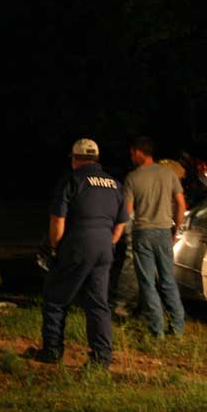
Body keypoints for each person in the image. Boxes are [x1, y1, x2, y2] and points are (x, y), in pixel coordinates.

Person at [31, 138, 128, 369]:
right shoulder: (114, 184)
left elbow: (58, 220)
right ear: (96, 158)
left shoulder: (72, 180)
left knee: (56, 298)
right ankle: (101, 358)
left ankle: (52, 351)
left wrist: (55, 247)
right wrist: (109, 243)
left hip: (78, 243)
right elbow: (122, 222)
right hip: (104, 246)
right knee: (98, 304)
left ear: (75, 159)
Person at [124, 136, 186, 338]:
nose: (131, 157)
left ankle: (156, 330)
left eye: (132, 153)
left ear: (138, 152)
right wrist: (175, 229)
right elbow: (181, 204)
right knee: (168, 280)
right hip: (164, 232)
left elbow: (127, 212)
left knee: (147, 283)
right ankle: (177, 328)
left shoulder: (132, 178)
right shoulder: (168, 174)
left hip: (143, 233)